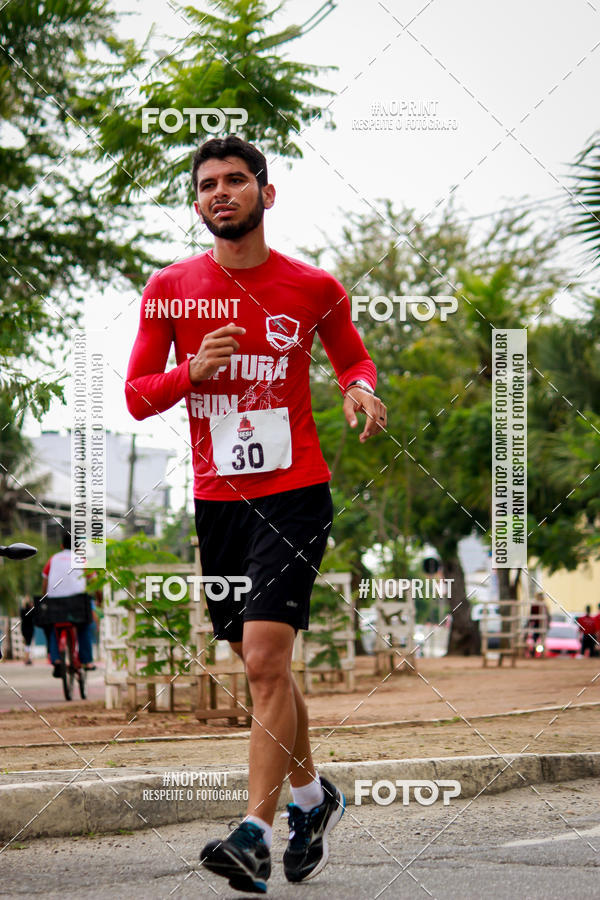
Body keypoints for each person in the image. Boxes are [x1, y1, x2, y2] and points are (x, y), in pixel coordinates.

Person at [125, 135, 386, 893]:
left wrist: (360, 388)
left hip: (295, 491)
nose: (221, 193)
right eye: (208, 184)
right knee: (257, 662)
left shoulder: (313, 287)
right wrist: (190, 372)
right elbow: (138, 396)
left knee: (267, 661)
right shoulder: (171, 288)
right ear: (197, 202)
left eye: (237, 180)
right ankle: (314, 798)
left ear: (266, 195)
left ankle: (254, 833)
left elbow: (352, 358)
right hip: (218, 502)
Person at [42, 529, 95, 676]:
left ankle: (56, 659)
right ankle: (87, 661)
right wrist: (99, 599)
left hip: (55, 603)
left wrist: (45, 598)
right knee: (85, 626)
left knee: (54, 627)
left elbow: (45, 581)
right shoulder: (82, 560)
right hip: (77, 602)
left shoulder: (53, 559)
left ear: (61, 546)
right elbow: (94, 581)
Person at [19, 596, 35, 665]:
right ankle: (27, 658)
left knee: (27, 644)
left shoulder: (23, 610)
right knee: (27, 644)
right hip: (28, 629)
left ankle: (26, 658)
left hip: (25, 629)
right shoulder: (28, 610)